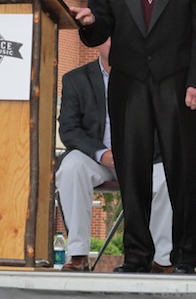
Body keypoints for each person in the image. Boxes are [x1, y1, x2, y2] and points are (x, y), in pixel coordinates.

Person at [71, 0, 196, 275]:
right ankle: (136, 257)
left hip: (178, 85)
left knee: (182, 173)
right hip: (129, 85)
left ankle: (187, 258)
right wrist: (88, 24)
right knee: (132, 172)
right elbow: (101, 28)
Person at [56, 38, 173, 273]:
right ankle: (78, 255)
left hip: (144, 159)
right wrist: (101, 154)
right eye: (110, 36)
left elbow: (165, 126)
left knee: (170, 178)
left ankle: (163, 261)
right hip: (98, 159)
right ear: (98, 42)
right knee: (71, 167)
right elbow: (69, 129)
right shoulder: (76, 79)